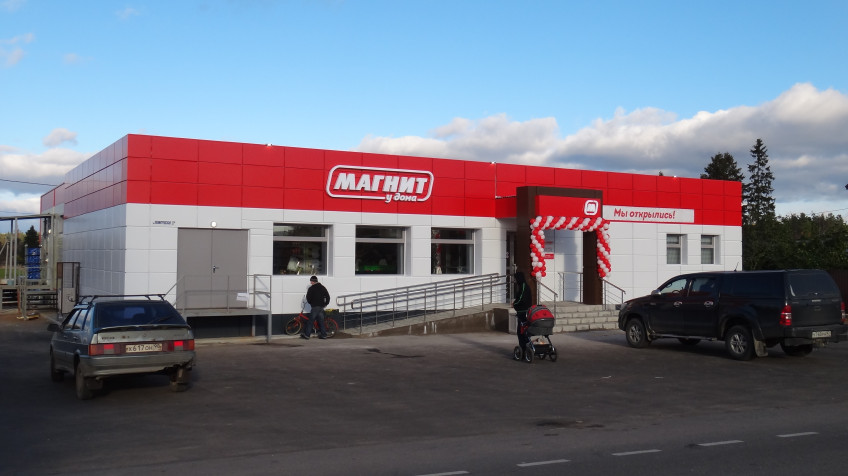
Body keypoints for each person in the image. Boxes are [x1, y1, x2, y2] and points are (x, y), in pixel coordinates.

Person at [302, 275, 331, 340]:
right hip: (321, 307)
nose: (310, 283)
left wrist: (311, 303)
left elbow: (308, 298)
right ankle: (324, 335)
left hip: (315, 307)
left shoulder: (311, 288)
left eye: (311, 281)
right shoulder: (323, 287)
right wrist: (325, 304)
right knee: (321, 321)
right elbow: (328, 296)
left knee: (310, 321)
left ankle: (307, 335)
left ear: (313, 281)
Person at [512, 271, 532, 350]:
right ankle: (525, 346)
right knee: (523, 330)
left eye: (516, 279)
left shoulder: (523, 286)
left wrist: (514, 304)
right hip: (522, 311)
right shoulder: (523, 286)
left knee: (521, 331)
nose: (515, 281)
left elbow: (521, 298)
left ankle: (524, 348)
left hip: (523, 311)